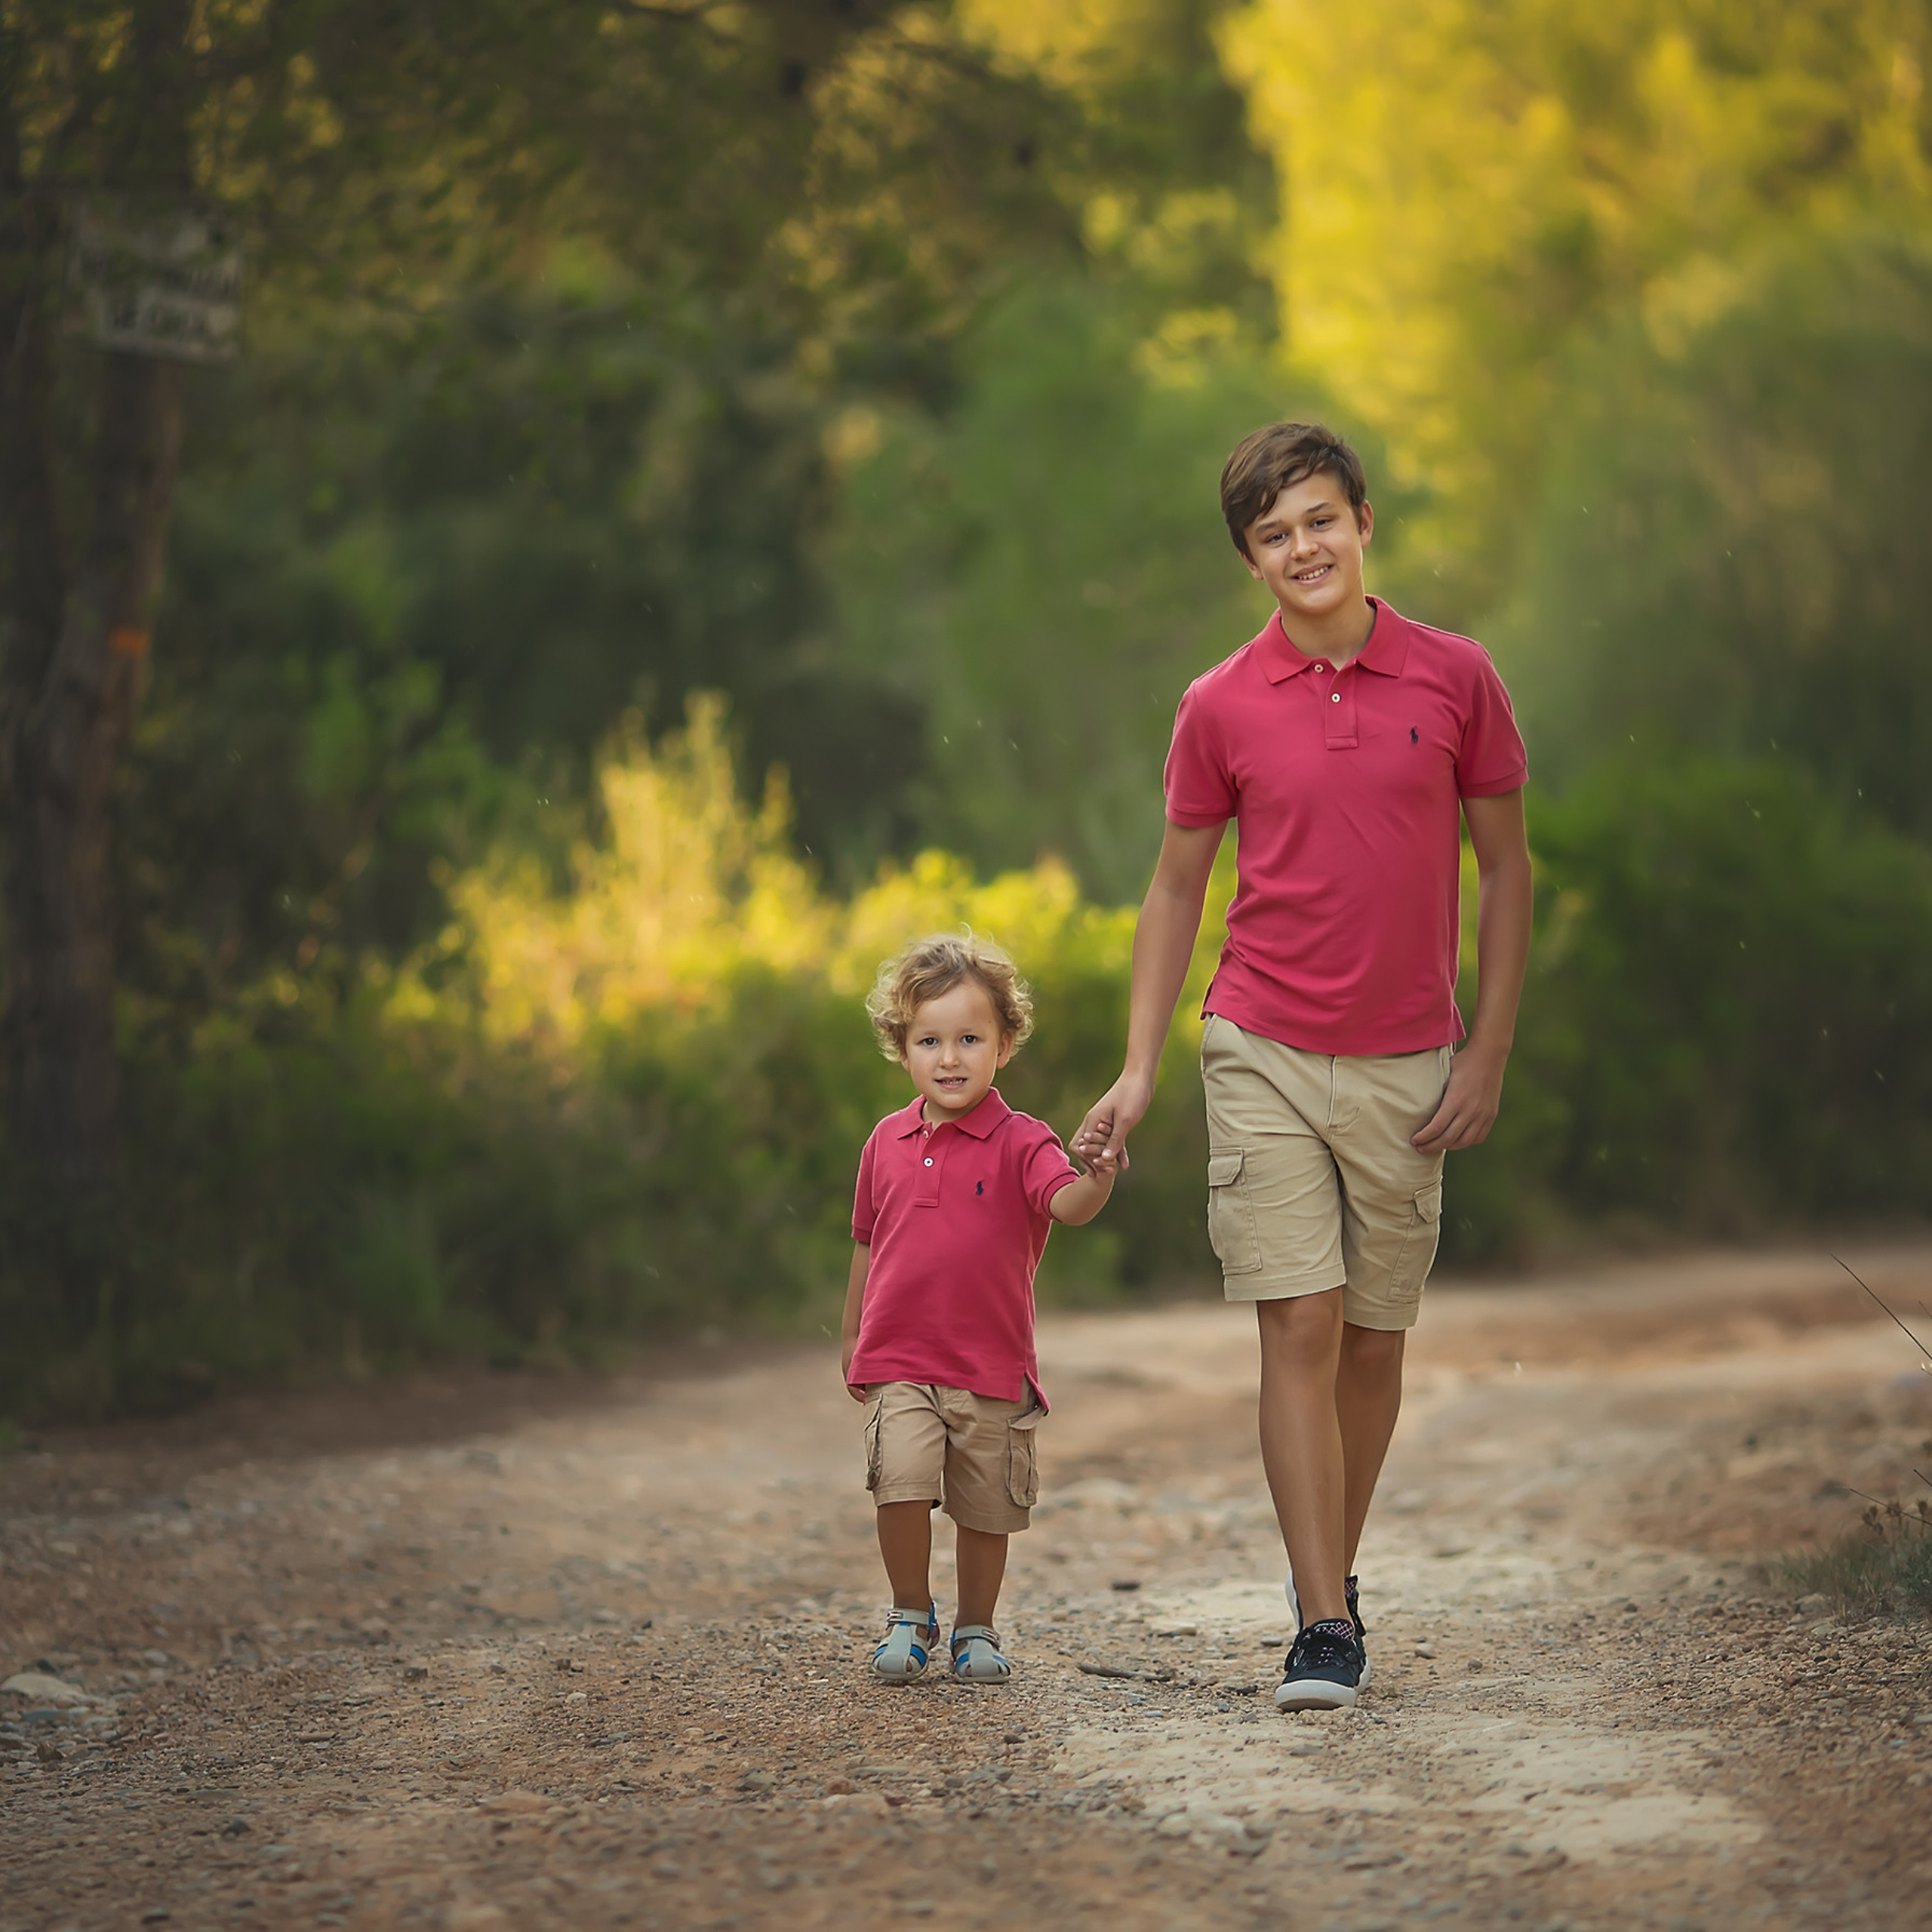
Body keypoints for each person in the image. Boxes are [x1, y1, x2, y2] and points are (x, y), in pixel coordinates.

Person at [1073, 422, 1532, 1711]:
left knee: (1376, 1342)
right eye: (1274, 536)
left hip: (1411, 1062)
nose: (1302, 549)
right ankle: (1324, 1621)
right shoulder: (1217, 705)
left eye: (1320, 520)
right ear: (1251, 561)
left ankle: (1325, 1565)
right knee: (1300, 1318)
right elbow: (1176, 890)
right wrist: (1140, 1067)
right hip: (1259, 1039)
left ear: (1364, 522)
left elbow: (1504, 869)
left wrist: (1486, 1048)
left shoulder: (1457, 677)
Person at [843, 931, 1118, 1684]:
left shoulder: (1022, 1140)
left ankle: (975, 1626)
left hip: (990, 1366)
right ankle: (909, 1611)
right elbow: (867, 1244)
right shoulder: (885, 1141)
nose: (951, 1057)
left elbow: (1067, 1205)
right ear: (903, 1050)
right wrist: (852, 1336)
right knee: (898, 1481)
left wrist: (1097, 1176)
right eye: (930, 1040)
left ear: (1004, 1043)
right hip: (899, 1354)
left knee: (984, 1509)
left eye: (970, 1038)